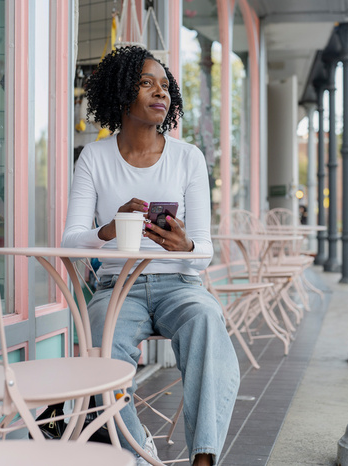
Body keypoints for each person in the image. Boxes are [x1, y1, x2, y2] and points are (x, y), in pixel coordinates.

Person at [61, 46, 240, 466]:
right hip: (116, 285)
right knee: (101, 349)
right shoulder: (94, 157)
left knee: (207, 322)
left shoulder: (188, 158)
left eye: (165, 86)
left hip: (178, 283)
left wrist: (187, 247)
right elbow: (70, 242)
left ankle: (204, 458)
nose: (160, 93)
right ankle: (137, 449)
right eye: (147, 83)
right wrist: (107, 230)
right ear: (123, 94)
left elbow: (205, 250)